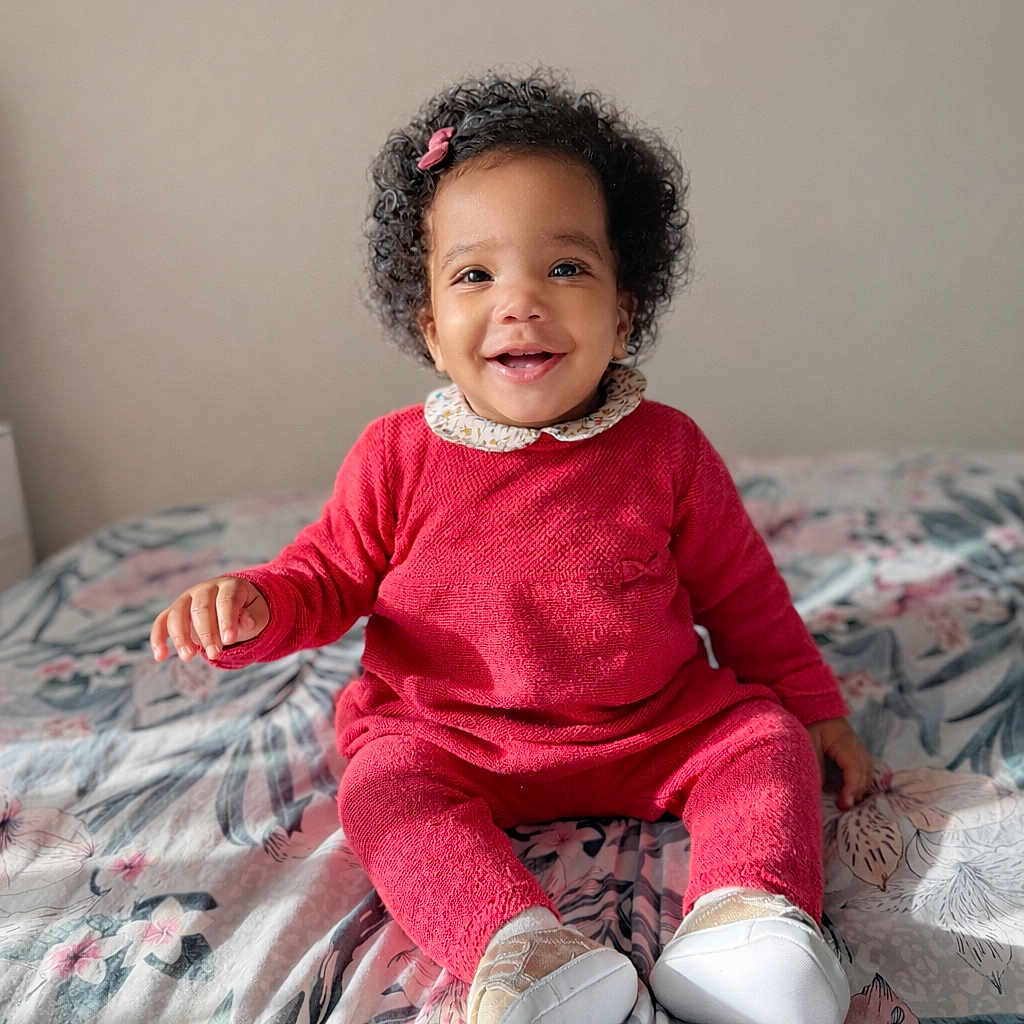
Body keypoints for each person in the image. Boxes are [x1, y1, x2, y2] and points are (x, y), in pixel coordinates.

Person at [150, 68, 874, 1024]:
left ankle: (744, 923)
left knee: (761, 741)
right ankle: (525, 955)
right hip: (451, 739)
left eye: (565, 268)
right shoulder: (396, 456)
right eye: (475, 275)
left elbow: (742, 597)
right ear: (431, 330)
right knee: (379, 792)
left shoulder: (667, 449)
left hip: (653, 725)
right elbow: (323, 576)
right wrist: (253, 606)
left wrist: (816, 707)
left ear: (623, 313)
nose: (521, 302)